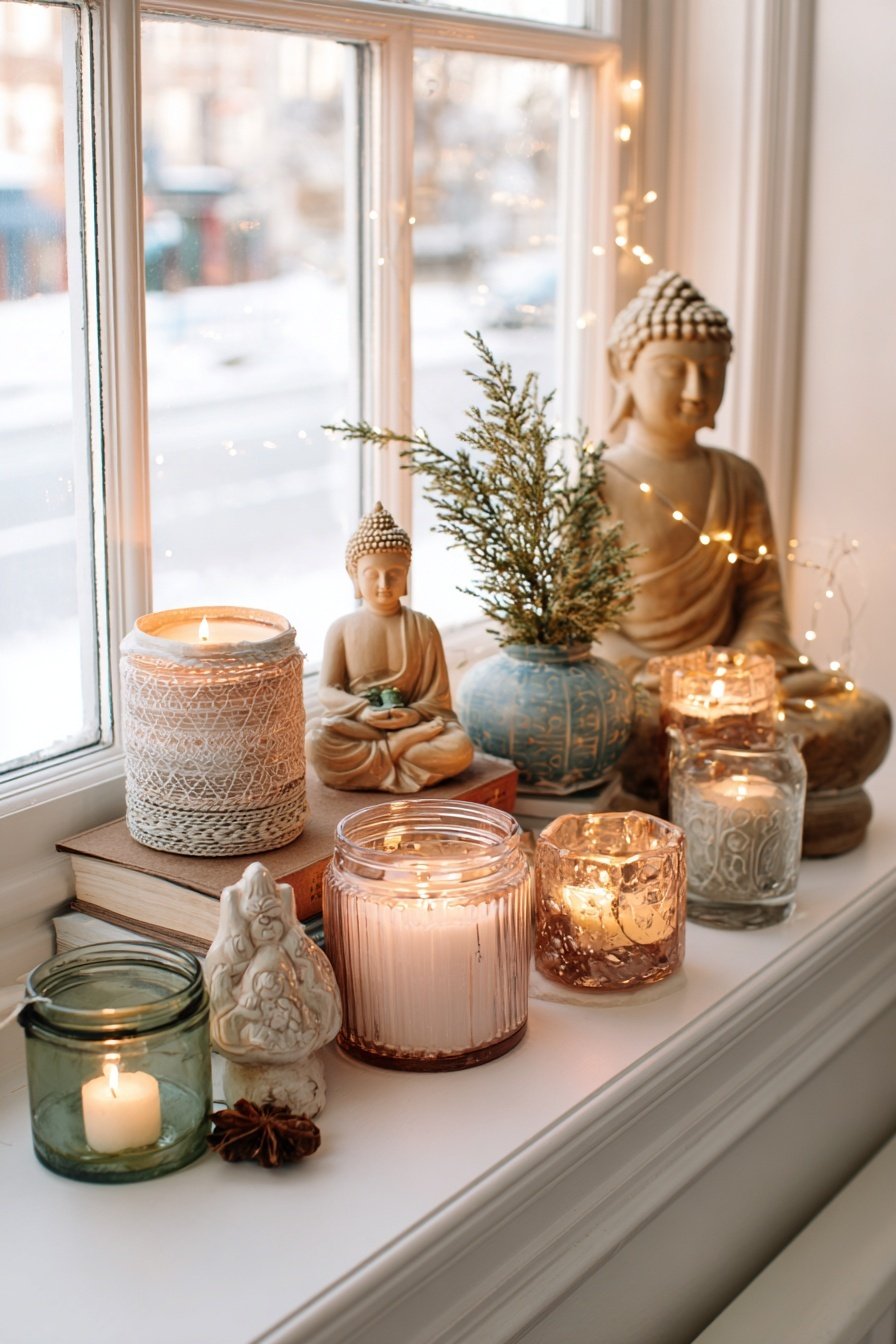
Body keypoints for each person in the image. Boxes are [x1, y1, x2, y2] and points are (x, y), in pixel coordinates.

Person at [599, 270, 890, 853]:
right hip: (645, 692)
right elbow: (582, 625)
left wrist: (743, 667)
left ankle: (733, 793)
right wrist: (644, 671)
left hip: (738, 687)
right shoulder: (595, 482)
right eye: (673, 369)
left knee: (863, 714)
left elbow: (762, 599)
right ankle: (733, 799)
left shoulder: (739, 478)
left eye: (712, 372)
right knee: (627, 727)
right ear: (620, 366)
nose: (695, 389)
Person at [306, 502, 474, 793]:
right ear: (354, 575)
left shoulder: (423, 626)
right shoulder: (341, 628)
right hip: (362, 725)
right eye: (372, 574)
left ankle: (389, 751)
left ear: (406, 573)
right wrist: (362, 711)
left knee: (458, 747)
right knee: (316, 740)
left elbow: (437, 699)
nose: (384, 583)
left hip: (412, 724)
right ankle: (397, 748)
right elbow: (327, 690)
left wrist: (414, 715)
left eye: (394, 573)